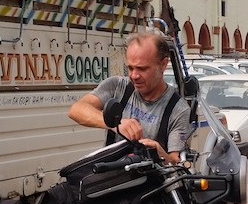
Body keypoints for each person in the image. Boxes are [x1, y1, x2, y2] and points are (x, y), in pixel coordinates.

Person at [68, 30, 189, 164]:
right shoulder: (117, 87)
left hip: (151, 183)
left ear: (163, 65)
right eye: (130, 68)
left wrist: (160, 154)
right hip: (112, 179)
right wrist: (115, 124)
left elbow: (177, 165)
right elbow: (76, 110)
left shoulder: (179, 110)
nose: (134, 76)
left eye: (142, 69)